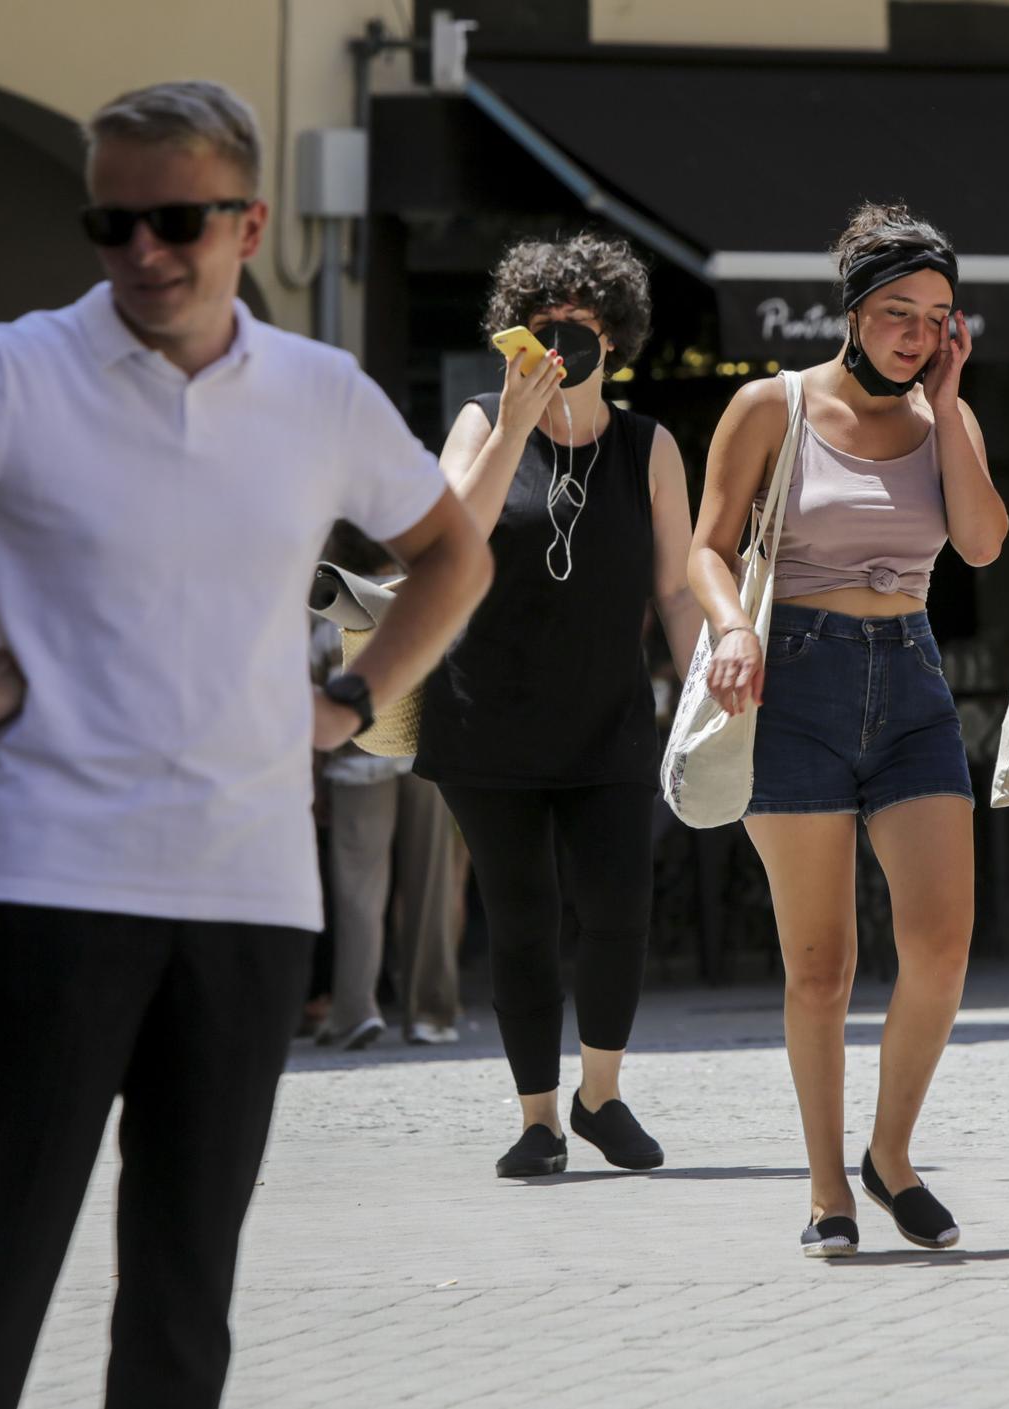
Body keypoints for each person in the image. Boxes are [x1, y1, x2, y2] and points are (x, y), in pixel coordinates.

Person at [0, 80, 490, 1409]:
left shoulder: (319, 394)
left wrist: (352, 702)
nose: (143, 252)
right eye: (111, 222)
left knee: (184, 1287)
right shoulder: (13, 372)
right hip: (49, 884)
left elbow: (452, 552)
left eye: (178, 221)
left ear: (250, 222)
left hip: (252, 895)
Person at [691, 202, 1007, 1257]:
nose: (916, 335)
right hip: (793, 680)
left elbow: (979, 542)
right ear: (853, 310)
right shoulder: (770, 405)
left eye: (936, 316)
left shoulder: (941, 419)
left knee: (940, 945)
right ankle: (827, 1185)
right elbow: (704, 545)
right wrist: (732, 623)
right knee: (820, 965)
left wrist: (951, 404)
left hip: (910, 678)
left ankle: (890, 1152)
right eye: (897, 312)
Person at [416, 233, 702, 1179]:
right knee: (523, 914)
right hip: (485, 717)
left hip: (609, 717)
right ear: (518, 336)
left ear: (614, 339)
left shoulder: (648, 446)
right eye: (543, 330)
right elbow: (453, 535)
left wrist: (710, 691)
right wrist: (512, 425)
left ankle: (600, 1095)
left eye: (580, 330)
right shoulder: (477, 421)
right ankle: (538, 1116)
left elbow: (674, 590)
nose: (560, 346)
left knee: (620, 905)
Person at [309, 593, 469, 1049]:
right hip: (426, 754)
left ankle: (355, 1010)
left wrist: (314, 775)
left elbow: (313, 685)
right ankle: (431, 1012)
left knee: (358, 891)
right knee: (432, 885)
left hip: (354, 759)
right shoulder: (425, 583)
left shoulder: (326, 605)